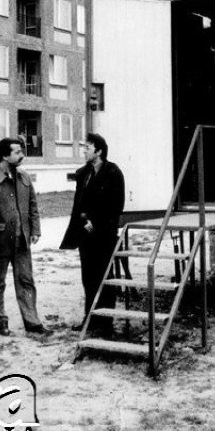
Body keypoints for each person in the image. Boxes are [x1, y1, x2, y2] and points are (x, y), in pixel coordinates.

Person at [0, 137, 51, 337]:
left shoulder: (24, 177)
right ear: (5, 155)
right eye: (17, 152)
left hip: (22, 241)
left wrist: (35, 230)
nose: (22, 155)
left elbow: (33, 206)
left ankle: (32, 321)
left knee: (26, 281)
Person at [59, 133, 125, 335]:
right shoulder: (84, 174)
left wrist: (95, 222)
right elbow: (79, 202)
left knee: (105, 277)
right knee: (88, 277)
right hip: (85, 235)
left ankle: (105, 323)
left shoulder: (113, 172)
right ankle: (90, 319)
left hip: (104, 234)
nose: (84, 151)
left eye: (87, 147)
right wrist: (83, 220)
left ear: (99, 151)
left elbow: (115, 205)